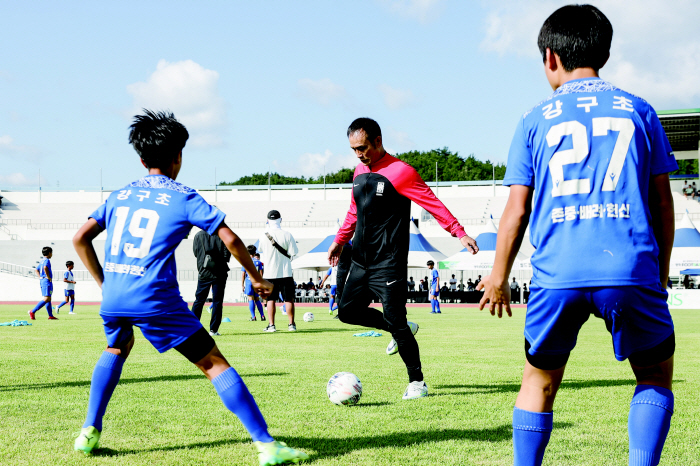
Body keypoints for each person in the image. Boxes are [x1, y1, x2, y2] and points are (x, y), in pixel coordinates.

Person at [477, 6, 677, 466]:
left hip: (557, 272)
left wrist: (498, 275)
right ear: (604, 52)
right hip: (628, 267)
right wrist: (660, 270)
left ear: (550, 57)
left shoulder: (533, 118)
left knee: (538, 380)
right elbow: (663, 202)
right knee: (653, 376)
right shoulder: (640, 109)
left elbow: (517, 208)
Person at [70, 110, 307, 464]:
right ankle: (267, 446)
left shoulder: (120, 194)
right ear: (178, 156)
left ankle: (89, 430)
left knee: (116, 348)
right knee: (213, 363)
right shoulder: (183, 196)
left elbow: (79, 238)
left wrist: (106, 284)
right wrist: (257, 278)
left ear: (140, 157)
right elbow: (230, 238)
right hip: (155, 299)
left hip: (116, 297)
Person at [328, 117, 478, 400]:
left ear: (377, 141)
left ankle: (417, 383)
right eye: (354, 149)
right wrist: (339, 241)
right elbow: (353, 211)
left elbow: (433, 204)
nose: (359, 154)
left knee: (396, 320)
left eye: (363, 147)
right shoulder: (359, 172)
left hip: (389, 263)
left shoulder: (402, 172)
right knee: (347, 312)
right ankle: (401, 329)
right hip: (360, 261)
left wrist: (459, 233)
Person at [258, 210, 299, 332]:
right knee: (288, 299)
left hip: (269, 273)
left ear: (267, 220)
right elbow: (293, 252)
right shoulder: (287, 234)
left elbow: (260, 250)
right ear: (281, 220)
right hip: (285, 271)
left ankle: (271, 325)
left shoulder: (263, 235)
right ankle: (291, 325)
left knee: (270, 300)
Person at [192, 229, 231, 336]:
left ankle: (193, 328)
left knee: (199, 301)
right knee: (217, 301)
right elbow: (227, 254)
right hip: (220, 272)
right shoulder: (221, 235)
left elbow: (196, 252)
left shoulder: (198, 235)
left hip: (204, 271)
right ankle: (213, 329)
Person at [28, 246, 57, 320]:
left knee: (48, 298)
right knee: (47, 298)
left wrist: (40, 277)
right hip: (46, 281)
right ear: (50, 253)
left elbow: (36, 269)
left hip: (43, 280)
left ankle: (50, 316)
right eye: (52, 253)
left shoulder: (42, 261)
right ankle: (32, 311)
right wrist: (48, 277)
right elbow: (45, 267)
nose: (52, 254)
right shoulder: (47, 260)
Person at [241, 245, 266, 321]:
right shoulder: (259, 262)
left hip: (249, 282)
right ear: (255, 253)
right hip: (256, 282)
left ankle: (253, 317)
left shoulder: (245, 262)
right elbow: (261, 274)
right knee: (257, 299)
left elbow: (243, 274)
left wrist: (242, 285)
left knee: (251, 299)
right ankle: (262, 316)